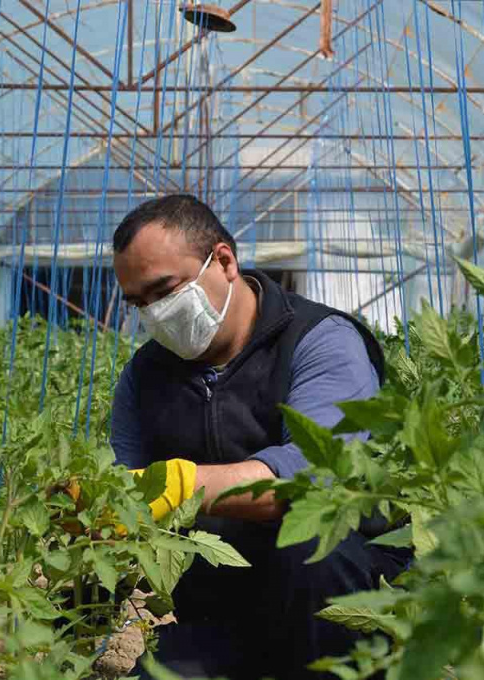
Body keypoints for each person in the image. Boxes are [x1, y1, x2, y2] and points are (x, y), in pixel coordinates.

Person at [109, 194, 413, 680]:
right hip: (225, 612)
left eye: (165, 291)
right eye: (139, 303)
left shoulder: (319, 340)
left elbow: (315, 480)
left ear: (224, 261)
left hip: (337, 609)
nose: (156, 314)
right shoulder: (145, 376)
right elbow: (123, 491)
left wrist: (181, 485)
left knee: (313, 541)